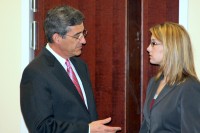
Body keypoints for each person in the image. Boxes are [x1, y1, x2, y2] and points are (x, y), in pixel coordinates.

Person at [20, 5, 121, 133]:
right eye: (77, 36)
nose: (83, 41)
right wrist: (87, 130)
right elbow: (42, 128)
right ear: (57, 38)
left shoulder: (80, 66)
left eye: (83, 33)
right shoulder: (36, 72)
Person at [139, 22, 200, 133]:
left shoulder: (189, 86)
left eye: (153, 43)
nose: (148, 48)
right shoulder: (154, 82)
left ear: (170, 47)